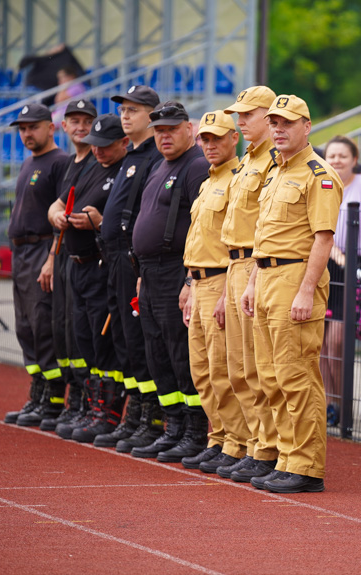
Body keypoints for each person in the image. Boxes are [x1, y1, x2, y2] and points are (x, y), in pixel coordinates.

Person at [239, 94, 343, 493]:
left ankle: (306, 466)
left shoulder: (319, 173)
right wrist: (251, 282)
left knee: (296, 375)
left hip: (294, 280)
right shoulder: (276, 171)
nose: (279, 130)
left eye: (288, 123)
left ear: (307, 126)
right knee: (270, 377)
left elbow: (323, 240)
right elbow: (264, 237)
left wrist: (304, 292)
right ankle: (285, 457)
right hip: (265, 277)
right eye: (275, 123)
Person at [164, 111, 249, 471]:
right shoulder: (208, 181)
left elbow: (234, 243)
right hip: (198, 280)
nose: (210, 145)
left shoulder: (238, 179)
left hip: (220, 279)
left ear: (234, 139)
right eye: (205, 139)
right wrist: (188, 283)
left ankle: (236, 443)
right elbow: (199, 238)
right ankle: (219, 438)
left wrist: (223, 291)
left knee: (222, 369)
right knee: (202, 370)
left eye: (217, 138)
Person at [129, 101, 210, 460]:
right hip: (150, 273)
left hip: (176, 270)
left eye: (171, 129)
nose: (164, 136)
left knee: (181, 353)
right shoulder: (161, 166)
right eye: (159, 130)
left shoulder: (195, 167)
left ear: (188, 129)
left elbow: (202, 229)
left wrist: (190, 279)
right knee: (157, 353)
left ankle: (193, 432)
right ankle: (172, 426)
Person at [213, 85, 281, 482]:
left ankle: (266, 449)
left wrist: (252, 276)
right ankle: (255, 444)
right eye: (237, 114)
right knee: (239, 367)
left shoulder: (274, 162)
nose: (239, 122)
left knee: (259, 367)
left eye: (247, 114)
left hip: (258, 266)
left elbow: (267, 228)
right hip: (235, 265)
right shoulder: (246, 162)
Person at [92, 86, 164, 451]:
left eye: (134, 109)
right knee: (123, 339)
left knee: (139, 341)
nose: (125, 115)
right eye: (123, 109)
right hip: (115, 257)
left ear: (152, 114)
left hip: (134, 261)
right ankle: (134, 414)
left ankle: (149, 419)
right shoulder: (132, 155)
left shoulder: (154, 155)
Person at [48, 113, 127, 443]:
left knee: (102, 340)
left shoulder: (124, 170)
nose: (98, 151)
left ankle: (107, 412)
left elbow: (122, 220)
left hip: (101, 265)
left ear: (123, 143)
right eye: (95, 146)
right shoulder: (90, 166)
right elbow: (63, 198)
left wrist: (97, 221)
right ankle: (90, 405)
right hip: (76, 264)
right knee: (82, 337)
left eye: (105, 147)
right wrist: (58, 215)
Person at [31, 98, 96, 431]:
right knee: (64, 332)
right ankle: (72, 400)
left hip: (90, 261)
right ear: (65, 126)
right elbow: (58, 207)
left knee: (80, 334)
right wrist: (52, 253)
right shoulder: (72, 162)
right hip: (64, 257)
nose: (81, 127)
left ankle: (85, 402)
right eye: (75, 120)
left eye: (87, 121)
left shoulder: (96, 162)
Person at [3, 104, 69, 427]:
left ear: (51, 128)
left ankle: (53, 400)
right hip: (20, 254)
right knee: (25, 328)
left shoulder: (59, 163)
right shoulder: (28, 162)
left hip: (42, 250)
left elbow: (62, 218)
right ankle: (38, 392)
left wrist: (51, 259)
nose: (27, 133)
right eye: (23, 128)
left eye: (33, 127)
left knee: (44, 326)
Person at [321, 135, 361, 426]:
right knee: (320, 345)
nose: (336, 161)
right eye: (331, 156)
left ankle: (343, 404)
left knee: (336, 342)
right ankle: (328, 404)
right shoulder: (320, 181)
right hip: (321, 264)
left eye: (342, 156)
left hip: (351, 268)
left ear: (354, 159)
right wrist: (331, 250)